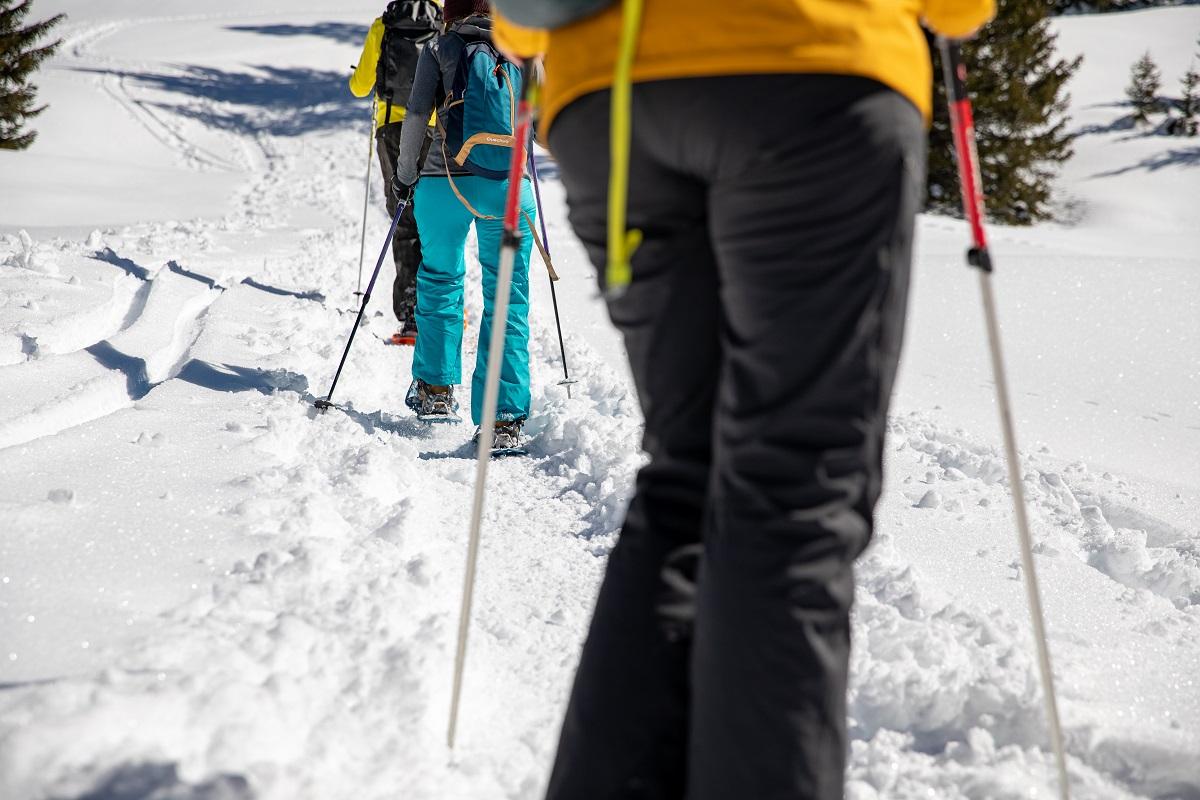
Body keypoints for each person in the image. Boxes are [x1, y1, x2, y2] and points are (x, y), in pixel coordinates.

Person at [491, 1, 994, 798]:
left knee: (685, 468)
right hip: (813, 69)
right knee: (791, 485)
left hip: (610, 102)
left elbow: (518, 22)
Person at [391, 0, 536, 452]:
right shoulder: (527, 50)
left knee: (439, 280)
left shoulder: (439, 47)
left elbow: (416, 116)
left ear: (452, 10)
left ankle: (435, 392)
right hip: (508, 188)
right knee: (507, 295)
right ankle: (504, 418)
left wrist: (405, 176)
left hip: (442, 181)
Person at [348, 0, 441, 344]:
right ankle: (440, 304)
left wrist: (356, 73)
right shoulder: (442, 22)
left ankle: (411, 311)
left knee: (404, 218)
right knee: (434, 216)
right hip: (432, 128)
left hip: (391, 127)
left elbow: (360, 87)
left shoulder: (383, 24)